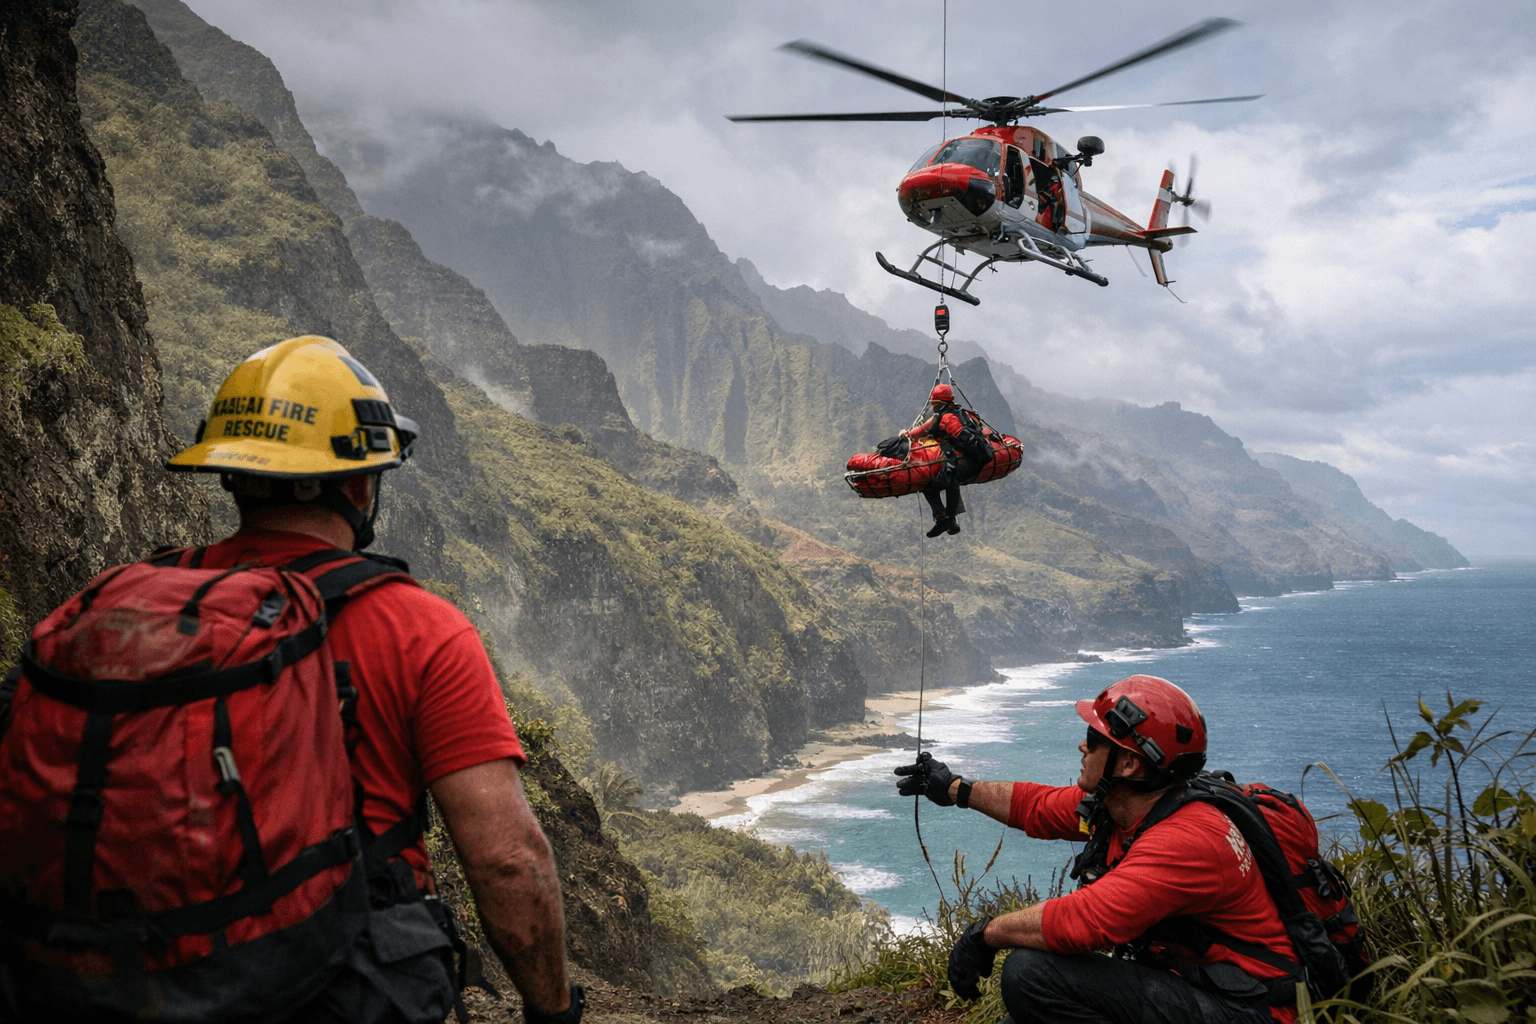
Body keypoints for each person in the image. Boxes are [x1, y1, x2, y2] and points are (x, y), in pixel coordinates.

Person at [167, 336, 579, 1024]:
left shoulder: (126, 605)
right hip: (341, 987)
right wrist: (552, 1012)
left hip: (147, 976)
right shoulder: (419, 628)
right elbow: (506, 858)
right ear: (361, 483)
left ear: (232, 474)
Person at [894, 675, 1302, 1024]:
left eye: (1094, 739)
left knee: (1031, 975)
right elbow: (1035, 807)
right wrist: (953, 788)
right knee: (1027, 1012)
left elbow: (1084, 922)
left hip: (1252, 1010)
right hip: (1200, 987)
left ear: (1128, 765)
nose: (1082, 746)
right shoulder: (1129, 806)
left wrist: (984, 935)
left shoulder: (1186, 841)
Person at [900, 383, 982, 537]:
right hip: (968, 457)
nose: (932, 407)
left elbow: (925, 429)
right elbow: (926, 428)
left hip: (970, 460)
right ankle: (943, 519)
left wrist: (908, 434)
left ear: (940, 403)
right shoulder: (955, 413)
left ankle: (949, 519)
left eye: (934, 404)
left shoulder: (947, 418)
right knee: (932, 483)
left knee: (950, 477)